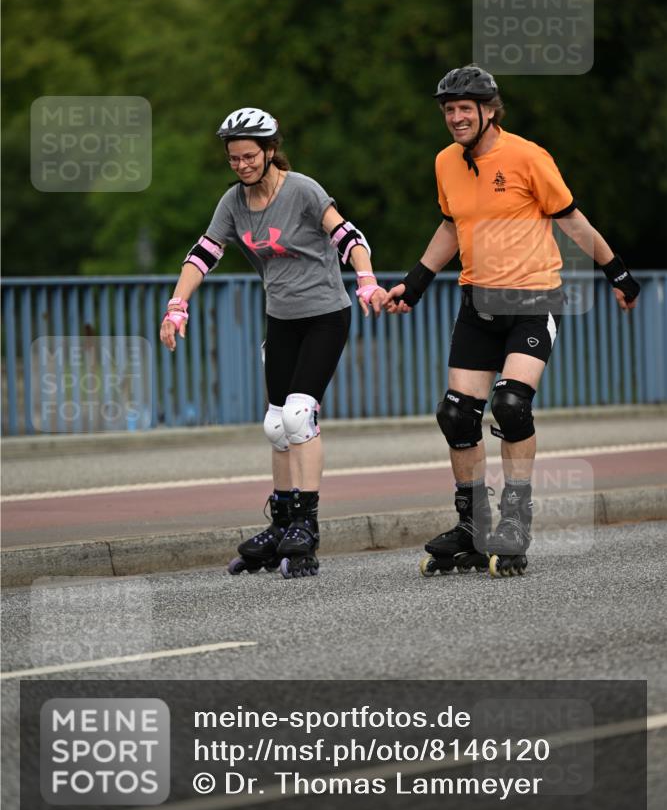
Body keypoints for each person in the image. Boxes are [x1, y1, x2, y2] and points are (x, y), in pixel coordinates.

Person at [384, 65, 641, 578]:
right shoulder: (445, 162)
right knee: (456, 414)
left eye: (465, 109)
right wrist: (415, 283)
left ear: (489, 110)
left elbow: (571, 219)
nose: (456, 118)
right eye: (449, 110)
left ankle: (515, 523)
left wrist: (617, 271)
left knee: (510, 404)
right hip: (476, 305)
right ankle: (473, 526)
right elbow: (451, 225)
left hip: (533, 302)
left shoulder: (527, 157)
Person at [160, 107, 386, 579]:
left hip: (326, 315)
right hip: (281, 319)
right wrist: (177, 306)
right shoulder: (233, 202)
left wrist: (365, 279)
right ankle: (282, 523)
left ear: (269, 151)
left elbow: (348, 236)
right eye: (233, 158)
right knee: (276, 425)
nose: (241, 165)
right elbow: (203, 254)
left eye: (249, 156)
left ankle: (306, 524)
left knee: (300, 415)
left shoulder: (301, 190)